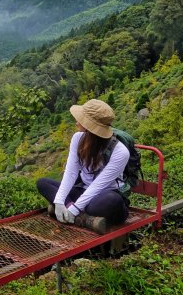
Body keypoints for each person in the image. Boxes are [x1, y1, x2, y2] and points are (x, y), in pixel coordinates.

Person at [37, 99, 130, 233]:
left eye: (82, 120)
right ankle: (81, 217)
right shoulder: (78, 138)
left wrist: (74, 209)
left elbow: (99, 185)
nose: (77, 122)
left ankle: (73, 213)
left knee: (111, 200)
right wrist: (59, 201)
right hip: (83, 191)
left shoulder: (120, 152)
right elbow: (71, 172)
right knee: (43, 183)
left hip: (103, 195)